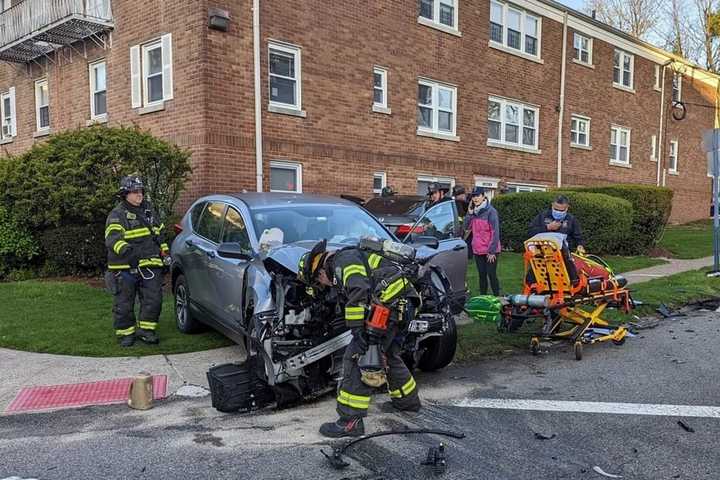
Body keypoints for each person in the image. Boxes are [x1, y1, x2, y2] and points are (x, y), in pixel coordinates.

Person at [297, 240, 421, 438]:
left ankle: (350, 421)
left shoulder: (342, 262)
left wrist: (358, 332)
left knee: (356, 358)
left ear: (319, 272)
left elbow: (359, 290)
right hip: (404, 305)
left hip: (390, 306)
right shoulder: (346, 258)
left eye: (320, 282)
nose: (324, 285)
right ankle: (408, 402)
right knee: (388, 354)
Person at [104, 175, 170, 347]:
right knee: (124, 303)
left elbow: (160, 235)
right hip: (125, 267)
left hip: (150, 265)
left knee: (153, 300)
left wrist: (165, 254)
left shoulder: (149, 212)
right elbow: (112, 239)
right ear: (125, 194)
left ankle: (146, 331)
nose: (139, 194)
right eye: (134, 191)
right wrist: (128, 252)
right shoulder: (117, 215)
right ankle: (126, 334)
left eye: (140, 191)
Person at [464, 187, 501, 296]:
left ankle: (497, 297)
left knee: (491, 274)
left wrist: (492, 251)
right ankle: (483, 298)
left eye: (477, 196)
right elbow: (466, 227)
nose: (475, 198)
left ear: (483, 196)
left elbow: (495, 232)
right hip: (478, 249)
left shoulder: (491, 211)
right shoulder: (473, 212)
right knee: (482, 275)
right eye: (473, 196)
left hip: (490, 250)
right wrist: (469, 214)